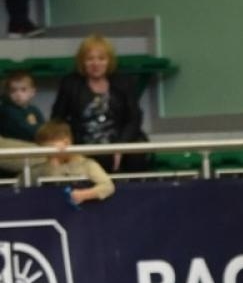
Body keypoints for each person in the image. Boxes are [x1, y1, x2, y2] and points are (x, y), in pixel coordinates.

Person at [50, 34, 149, 173]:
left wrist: (120, 146)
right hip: (84, 144)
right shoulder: (70, 83)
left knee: (137, 152)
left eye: (101, 59)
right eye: (90, 59)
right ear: (82, 61)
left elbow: (134, 118)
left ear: (109, 61)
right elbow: (57, 119)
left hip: (119, 142)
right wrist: (65, 142)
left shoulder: (124, 82)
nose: (96, 64)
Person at [30, 120, 116, 204]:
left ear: (67, 142)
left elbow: (108, 186)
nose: (49, 154)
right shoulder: (43, 167)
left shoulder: (87, 164)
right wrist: (54, 166)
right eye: (45, 150)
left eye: (51, 148)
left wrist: (84, 195)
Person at [1, 69, 45, 143]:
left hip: (29, 143)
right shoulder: (7, 111)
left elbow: (43, 127)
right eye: (13, 91)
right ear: (8, 93)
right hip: (14, 144)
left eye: (23, 90)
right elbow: (24, 130)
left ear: (32, 92)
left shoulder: (34, 109)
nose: (18, 94)